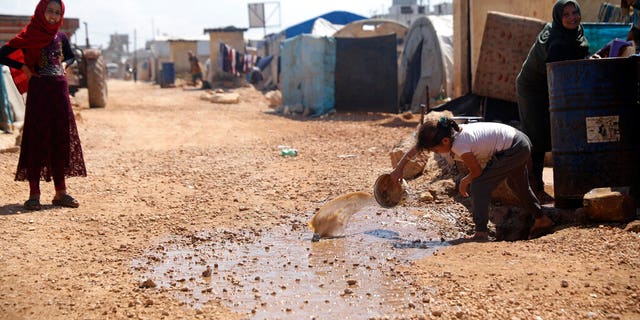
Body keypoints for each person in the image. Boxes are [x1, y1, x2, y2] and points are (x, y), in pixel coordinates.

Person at [390, 112, 554, 241]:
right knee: (516, 185)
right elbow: (416, 148)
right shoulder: (454, 134)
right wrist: (399, 168)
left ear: (445, 141)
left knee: (479, 186)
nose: (436, 154)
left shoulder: (461, 145)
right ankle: (541, 219)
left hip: (514, 148)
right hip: (519, 141)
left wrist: (465, 181)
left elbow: (476, 172)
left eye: (435, 150)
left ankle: (481, 233)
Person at [0, 0, 86, 210]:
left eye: (58, 12)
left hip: (59, 93)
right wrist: (24, 68)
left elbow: (72, 56)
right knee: (37, 140)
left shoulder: (61, 36)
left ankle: (61, 193)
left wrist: (65, 64)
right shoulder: (29, 35)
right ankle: (34, 195)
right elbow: (2, 53)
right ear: (40, 11)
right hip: (39, 93)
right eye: (50, 11)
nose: (54, 16)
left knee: (60, 138)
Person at [516, 0, 589, 202]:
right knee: (537, 136)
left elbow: (577, 54)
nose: (572, 17)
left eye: (574, 12)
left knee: (559, 132)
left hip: (552, 82)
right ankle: (536, 188)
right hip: (533, 88)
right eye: (566, 15)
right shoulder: (556, 42)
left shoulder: (576, 31)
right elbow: (558, 72)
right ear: (558, 18)